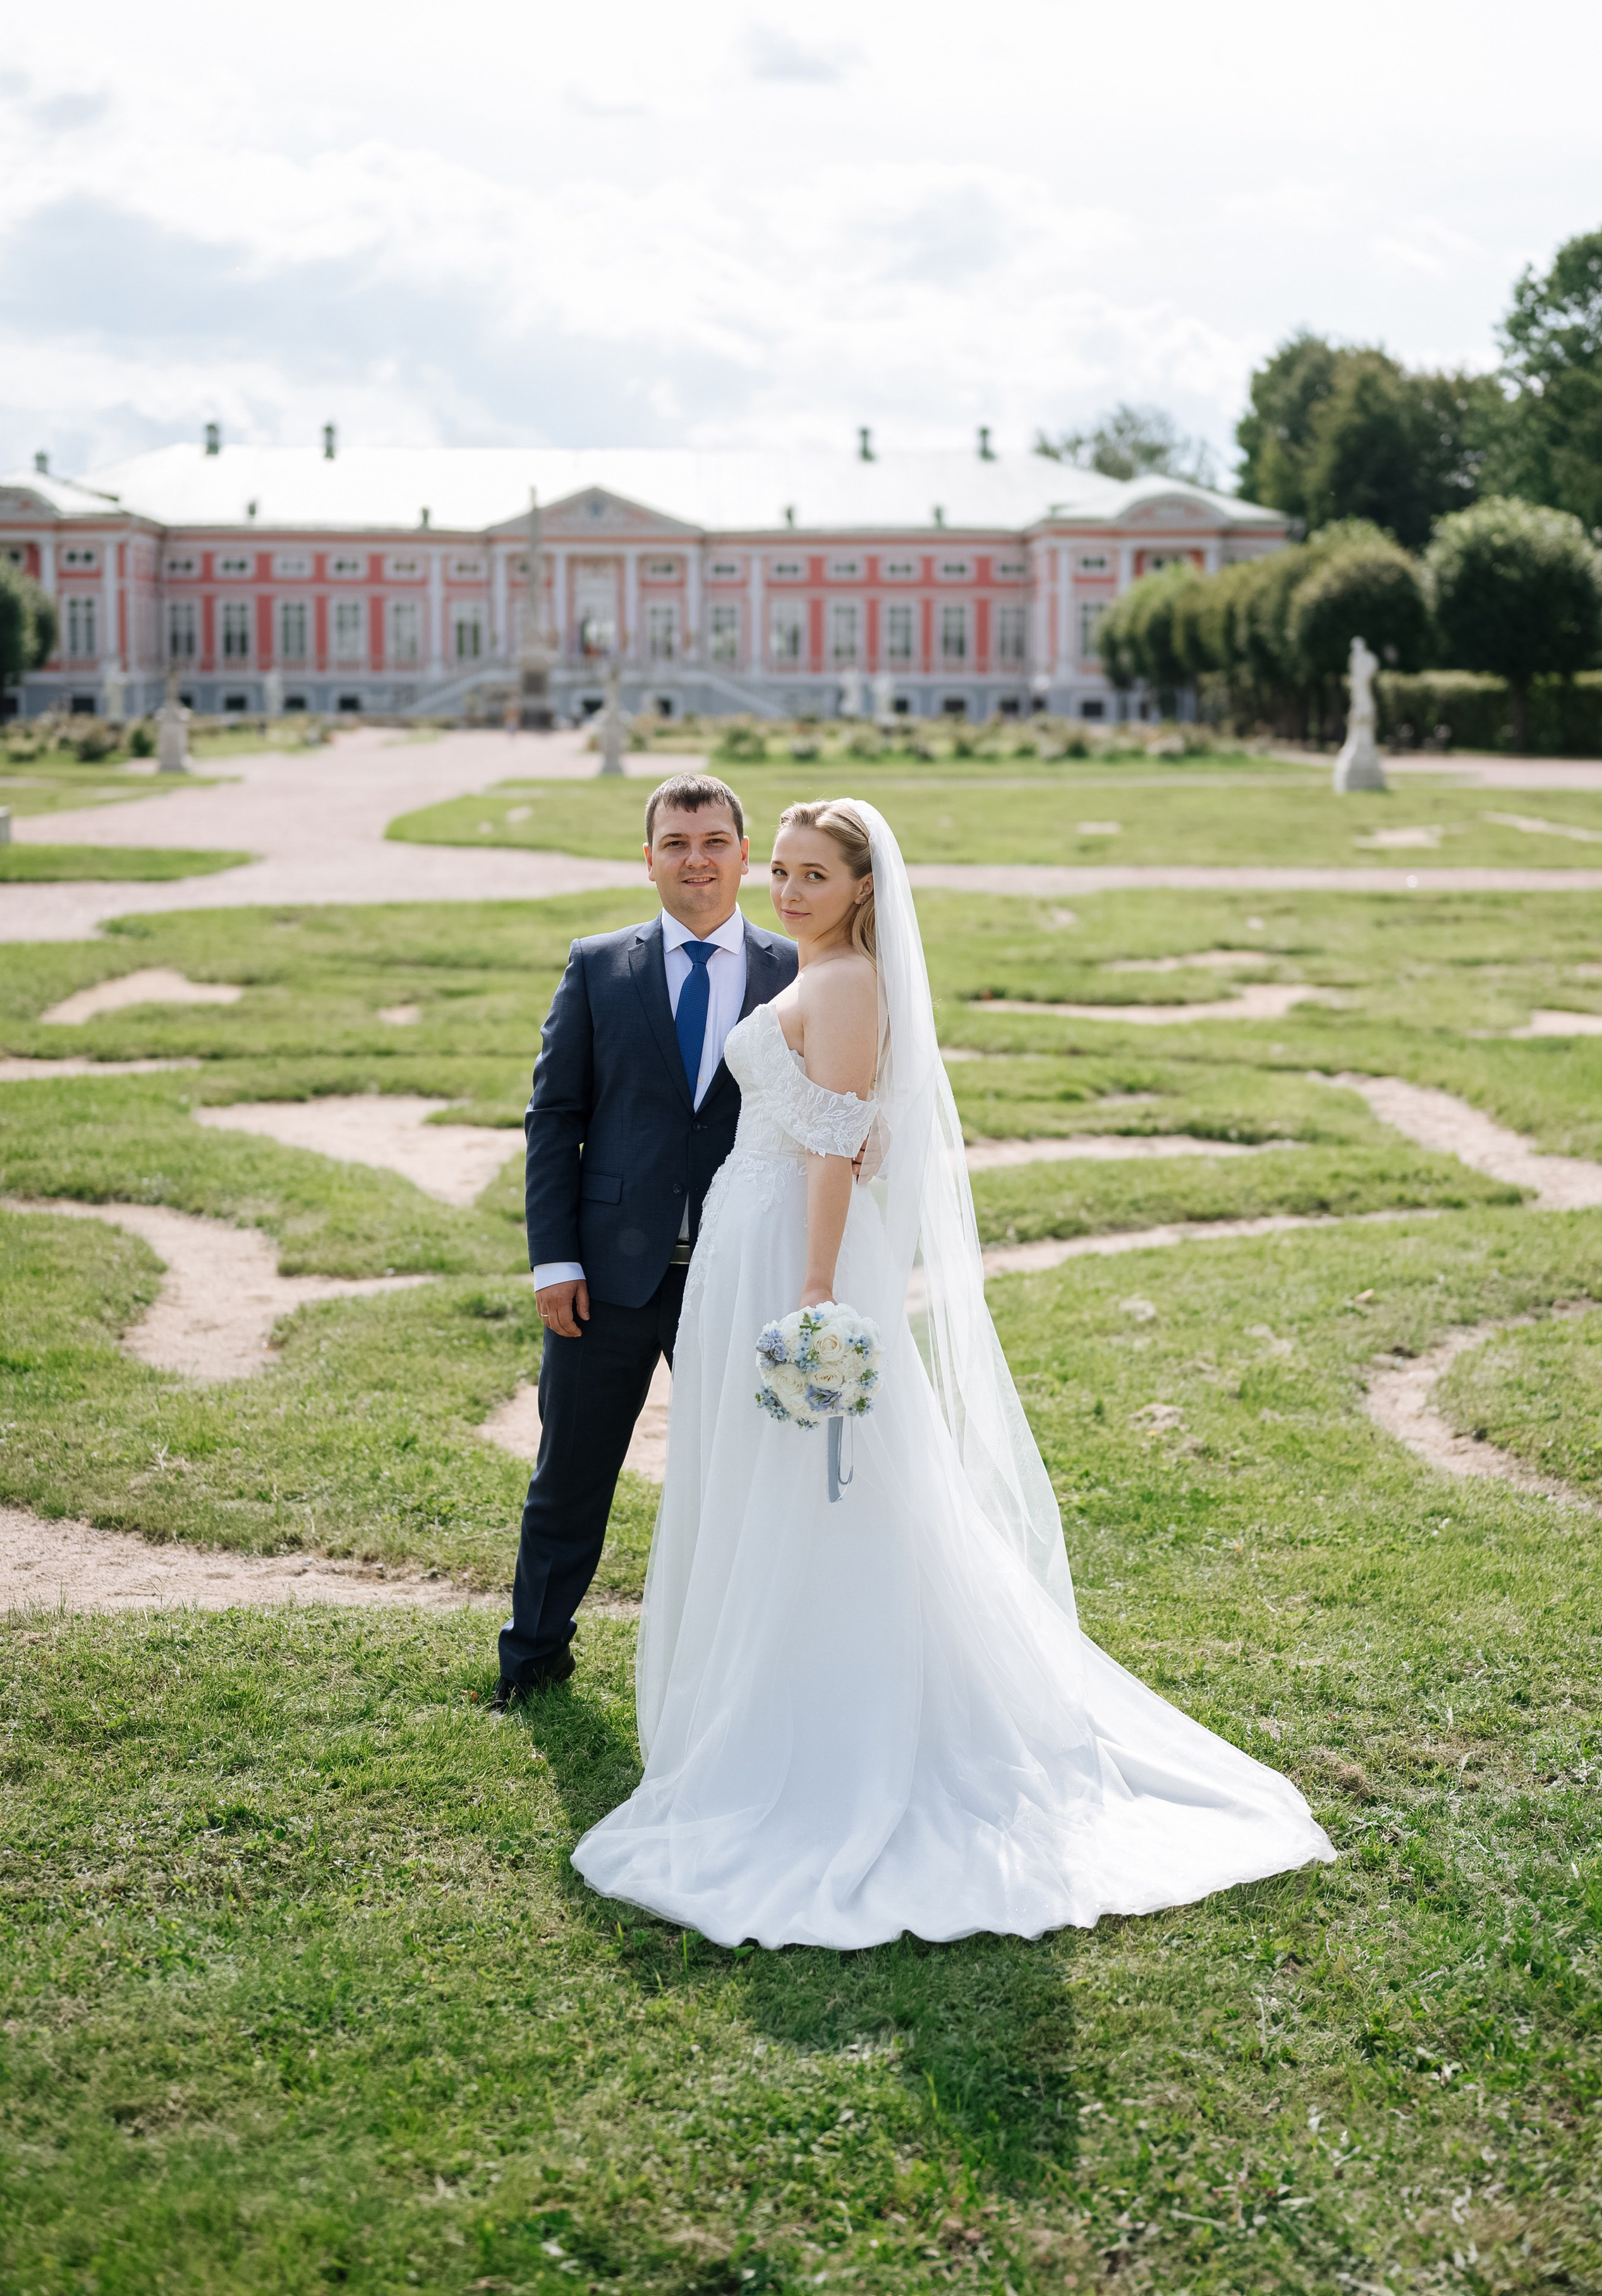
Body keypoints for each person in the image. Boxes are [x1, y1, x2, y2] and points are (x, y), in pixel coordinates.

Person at [572, 799, 1335, 1948]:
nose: (786, 892)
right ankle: (756, 1701)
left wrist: (816, 1292)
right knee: (768, 1477)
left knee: (827, 1487)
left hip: (795, 1248)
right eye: (779, 871)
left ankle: (831, 1721)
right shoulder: (817, 971)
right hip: (754, 1231)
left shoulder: (846, 986)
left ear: (863, 887)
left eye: (812, 876)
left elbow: (834, 1146)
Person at [495, 774, 797, 1706]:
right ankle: (533, 1657)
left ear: (746, 856)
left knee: (741, 1487)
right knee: (569, 1481)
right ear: (650, 858)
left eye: (714, 842)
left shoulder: (795, 970)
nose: (696, 860)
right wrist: (555, 1260)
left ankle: (739, 1675)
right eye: (677, 843)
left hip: (740, 1278)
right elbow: (556, 1117)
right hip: (607, 1281)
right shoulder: (597, 965)